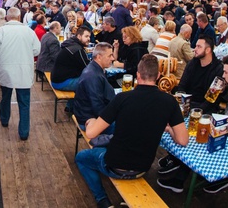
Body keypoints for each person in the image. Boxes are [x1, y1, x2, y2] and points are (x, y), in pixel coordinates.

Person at [77, 55, 188, 208]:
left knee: (82, 157)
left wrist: (90, 121)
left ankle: (102, 200)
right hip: (143, 167)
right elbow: (183, 140)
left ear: (137, 75)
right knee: (104, 145)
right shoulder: (170, 102)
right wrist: (168, 128)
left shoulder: (122, 98)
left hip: (116, 166)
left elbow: (91, 133)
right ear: (157, 76)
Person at [159, 52, 228, 194]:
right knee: (192, 131)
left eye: (226, 72)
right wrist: (223, 90)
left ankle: (179, 180)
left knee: (197, 138)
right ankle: (176, 161)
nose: (224, 76)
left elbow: (223, 126)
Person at [0, 7, 41, 141]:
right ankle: (24, 133)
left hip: (5, 71)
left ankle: (4, 120)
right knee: (24, 103)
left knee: (5, 97)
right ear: (19, 18)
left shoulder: (1, 31)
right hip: (24, 71)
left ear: (7, 17)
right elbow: (36, 50)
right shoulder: (29, 31)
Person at [174, 35, 223, 111]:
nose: (195, 49)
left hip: (206, 109)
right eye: (196, 46)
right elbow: (182, 86)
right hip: (187, 104)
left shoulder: (218, 69)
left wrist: (197, 110)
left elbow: (212, 99)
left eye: (199, 47)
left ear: (208, 50)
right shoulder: (192, 63)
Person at [73, 43, 116, 127]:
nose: (113, 58)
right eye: (110, 55)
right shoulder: (93, 76)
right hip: (89, 120)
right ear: (99, 57)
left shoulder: (95, 69)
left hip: (88, 114)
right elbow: (98, 107)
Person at [51, 26, 91, 92]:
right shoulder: (77, 49)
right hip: (62, 83)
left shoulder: (70, 43)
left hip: (56, 80)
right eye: (86, 36)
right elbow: (88, 66)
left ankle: (72, 102)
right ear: (79, 36)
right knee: (93, 81)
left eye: (89, 36)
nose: (89, 39)